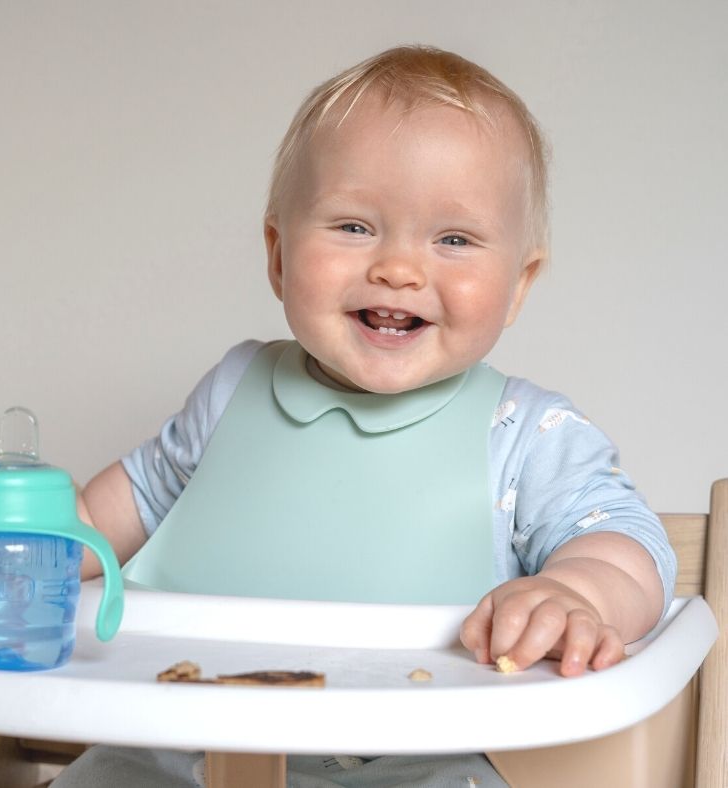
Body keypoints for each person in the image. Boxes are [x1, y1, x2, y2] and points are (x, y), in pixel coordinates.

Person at [54, 45, 676, 787]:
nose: (399, 269)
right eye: (353, 227)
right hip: (173, 745)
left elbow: (624, 544)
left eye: (454, 239)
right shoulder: (233, 391)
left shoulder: (522, 435)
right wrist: (36, 549)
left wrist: (577, 593)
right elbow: (126, 502)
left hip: (410, 762)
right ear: (279, 256)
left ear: (518, 285)